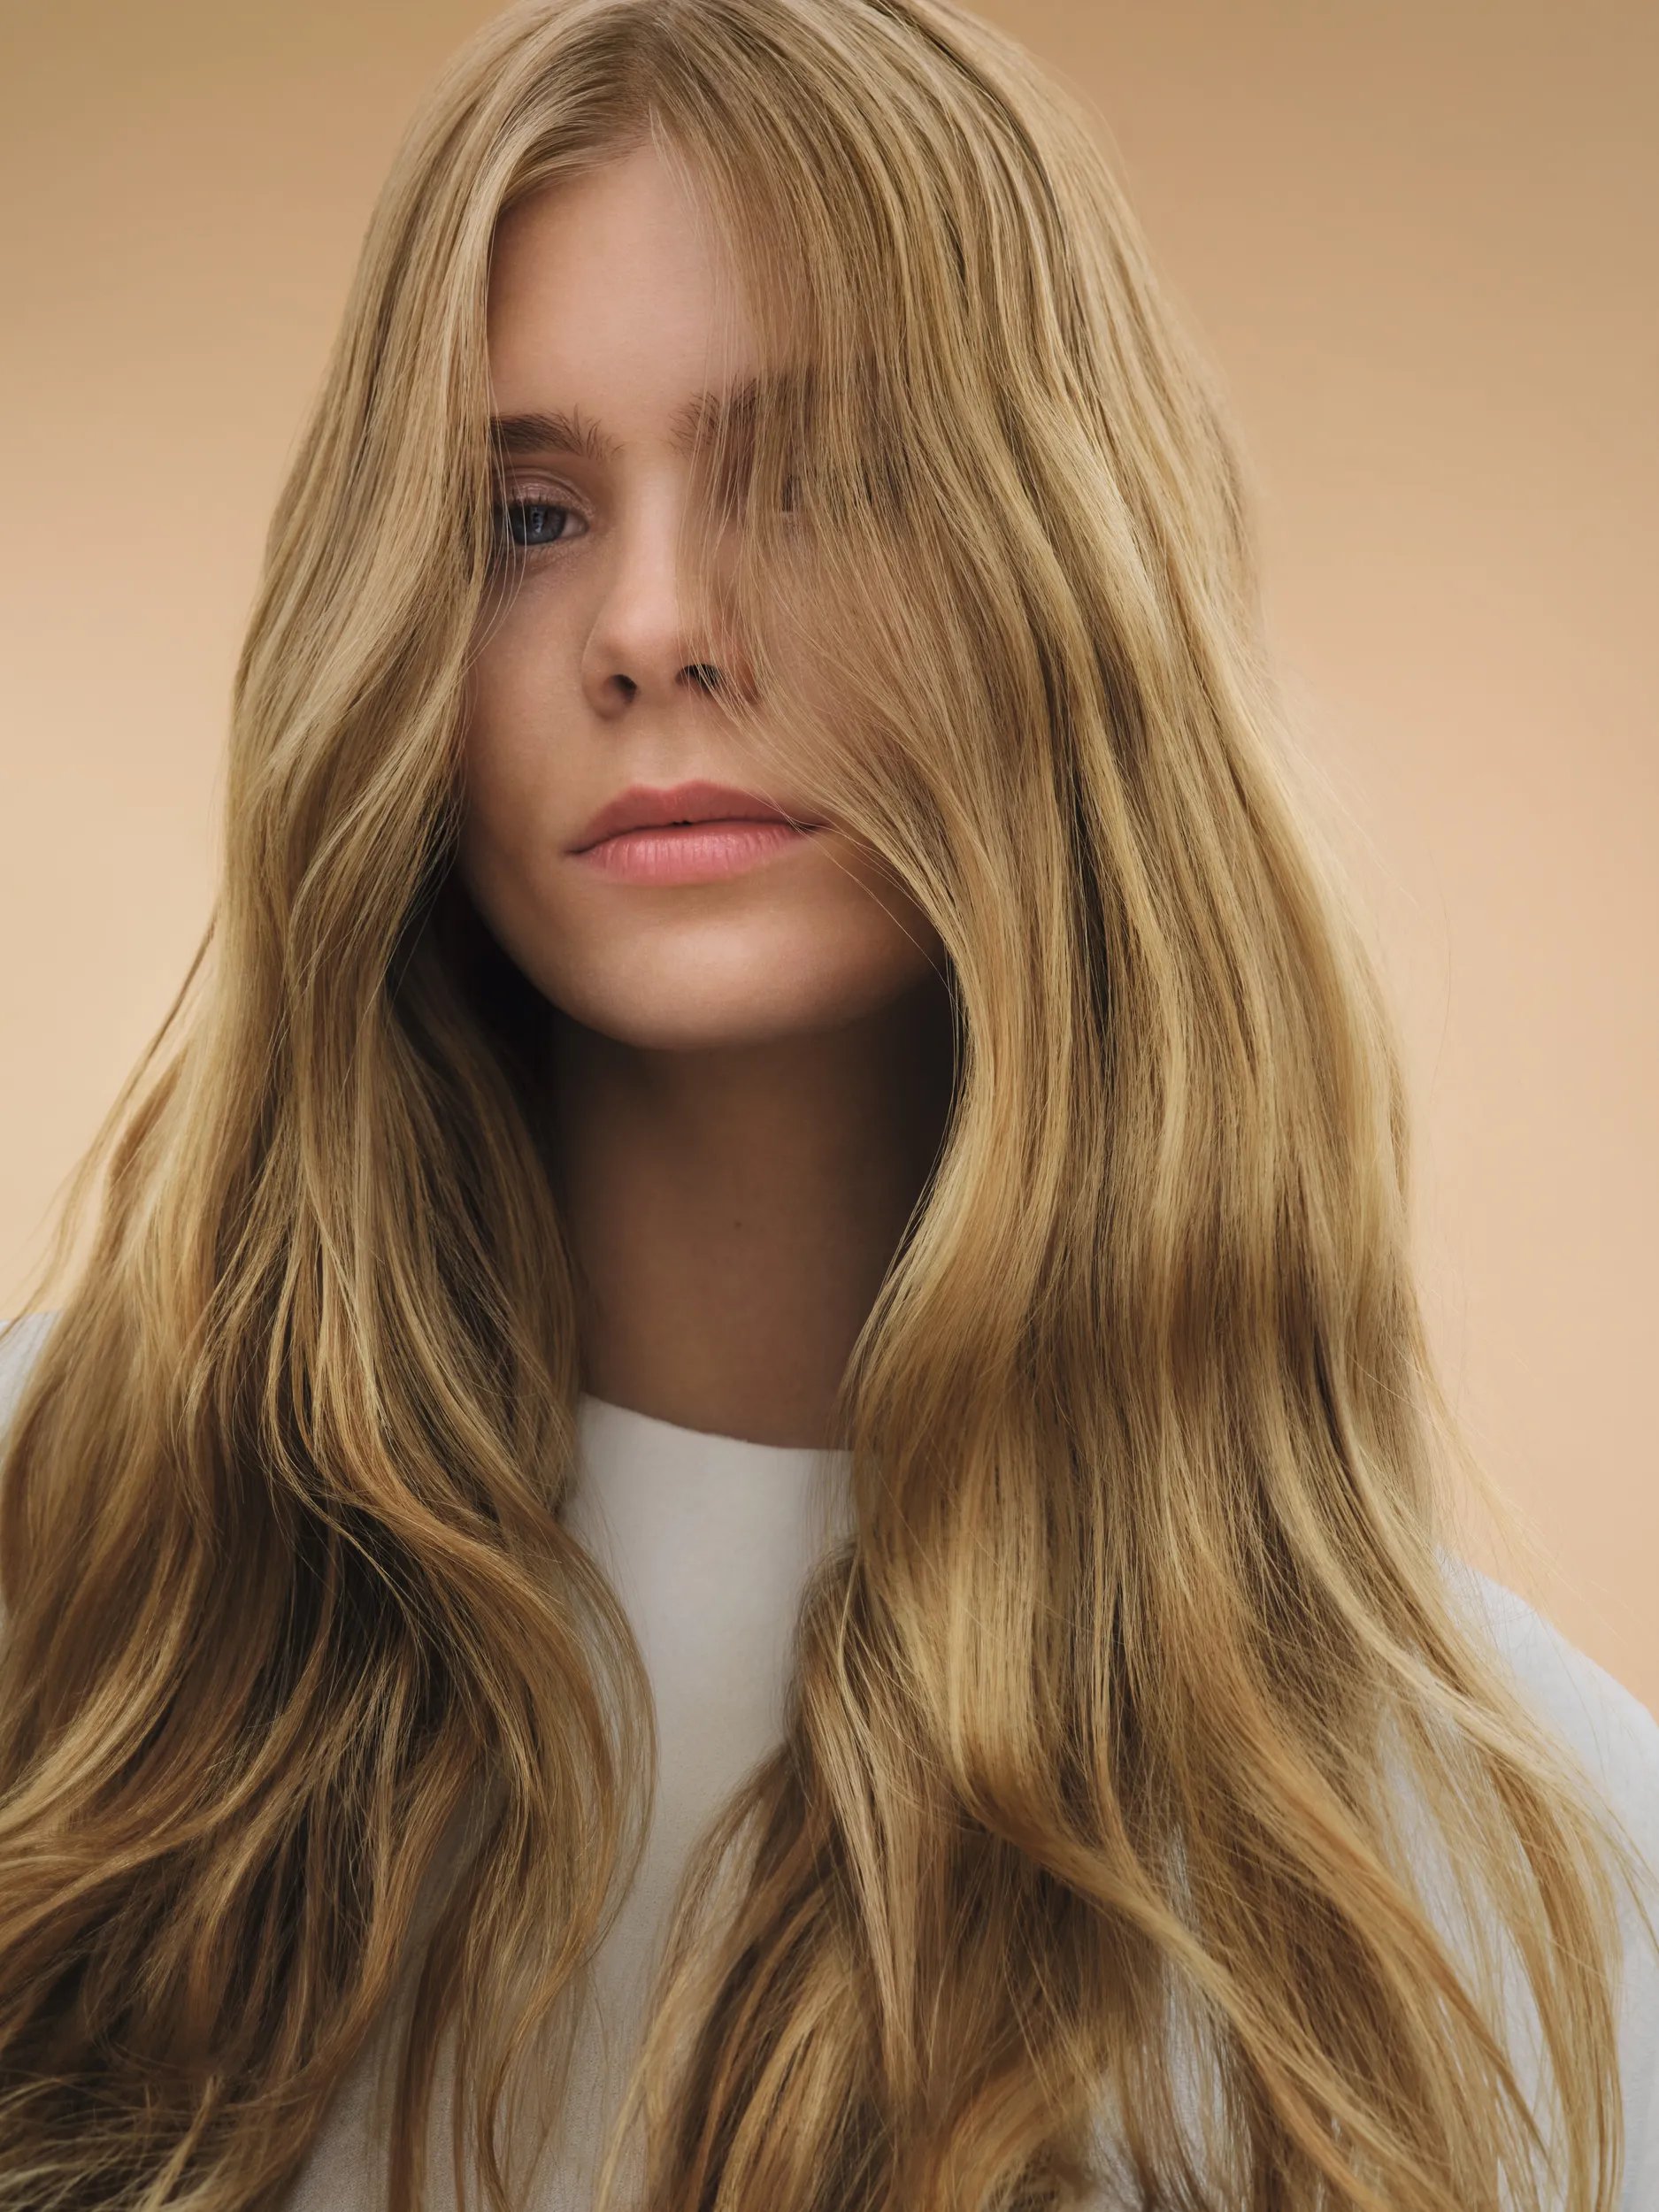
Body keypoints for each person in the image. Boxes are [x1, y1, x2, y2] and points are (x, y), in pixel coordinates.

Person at [0, 1, 1654, 2208]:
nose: (654, 624)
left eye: (813, 479)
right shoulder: (76, 1603)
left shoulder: (1514, 1870)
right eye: (523, 514)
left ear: (1063, 575)